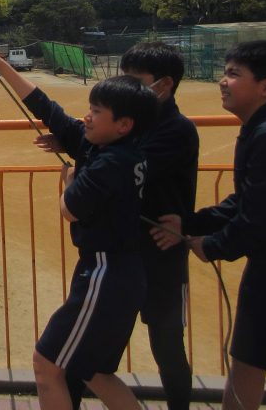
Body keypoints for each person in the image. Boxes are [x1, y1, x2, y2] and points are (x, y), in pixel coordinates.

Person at [0, 44, 156, 410]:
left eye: (96, 112)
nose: (87, 117)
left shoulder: (108, 162)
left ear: (123, 125)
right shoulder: (113, 148)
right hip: (120, 273)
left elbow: (70, 209)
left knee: (46, 364)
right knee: (94, 371)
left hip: (105, 274)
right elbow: (44, 106)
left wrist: (70, 179)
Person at [153, 39, 266, 410]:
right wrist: (192, 222)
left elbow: (261, 216)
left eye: (234, 74)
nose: (223, 81)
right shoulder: (259, 130)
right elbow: (246, 201)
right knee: (248, 358)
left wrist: (213, 245)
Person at [66, 43, 199, 410]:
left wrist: (81, 159)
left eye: (136, 80)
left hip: (161, 253)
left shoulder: (175, 129)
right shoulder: (130, 127)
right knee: (86, 348)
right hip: (122, 252)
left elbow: (118, 171)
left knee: (167, 344)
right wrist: (76, 141)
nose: (127, 86)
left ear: (164, 84)